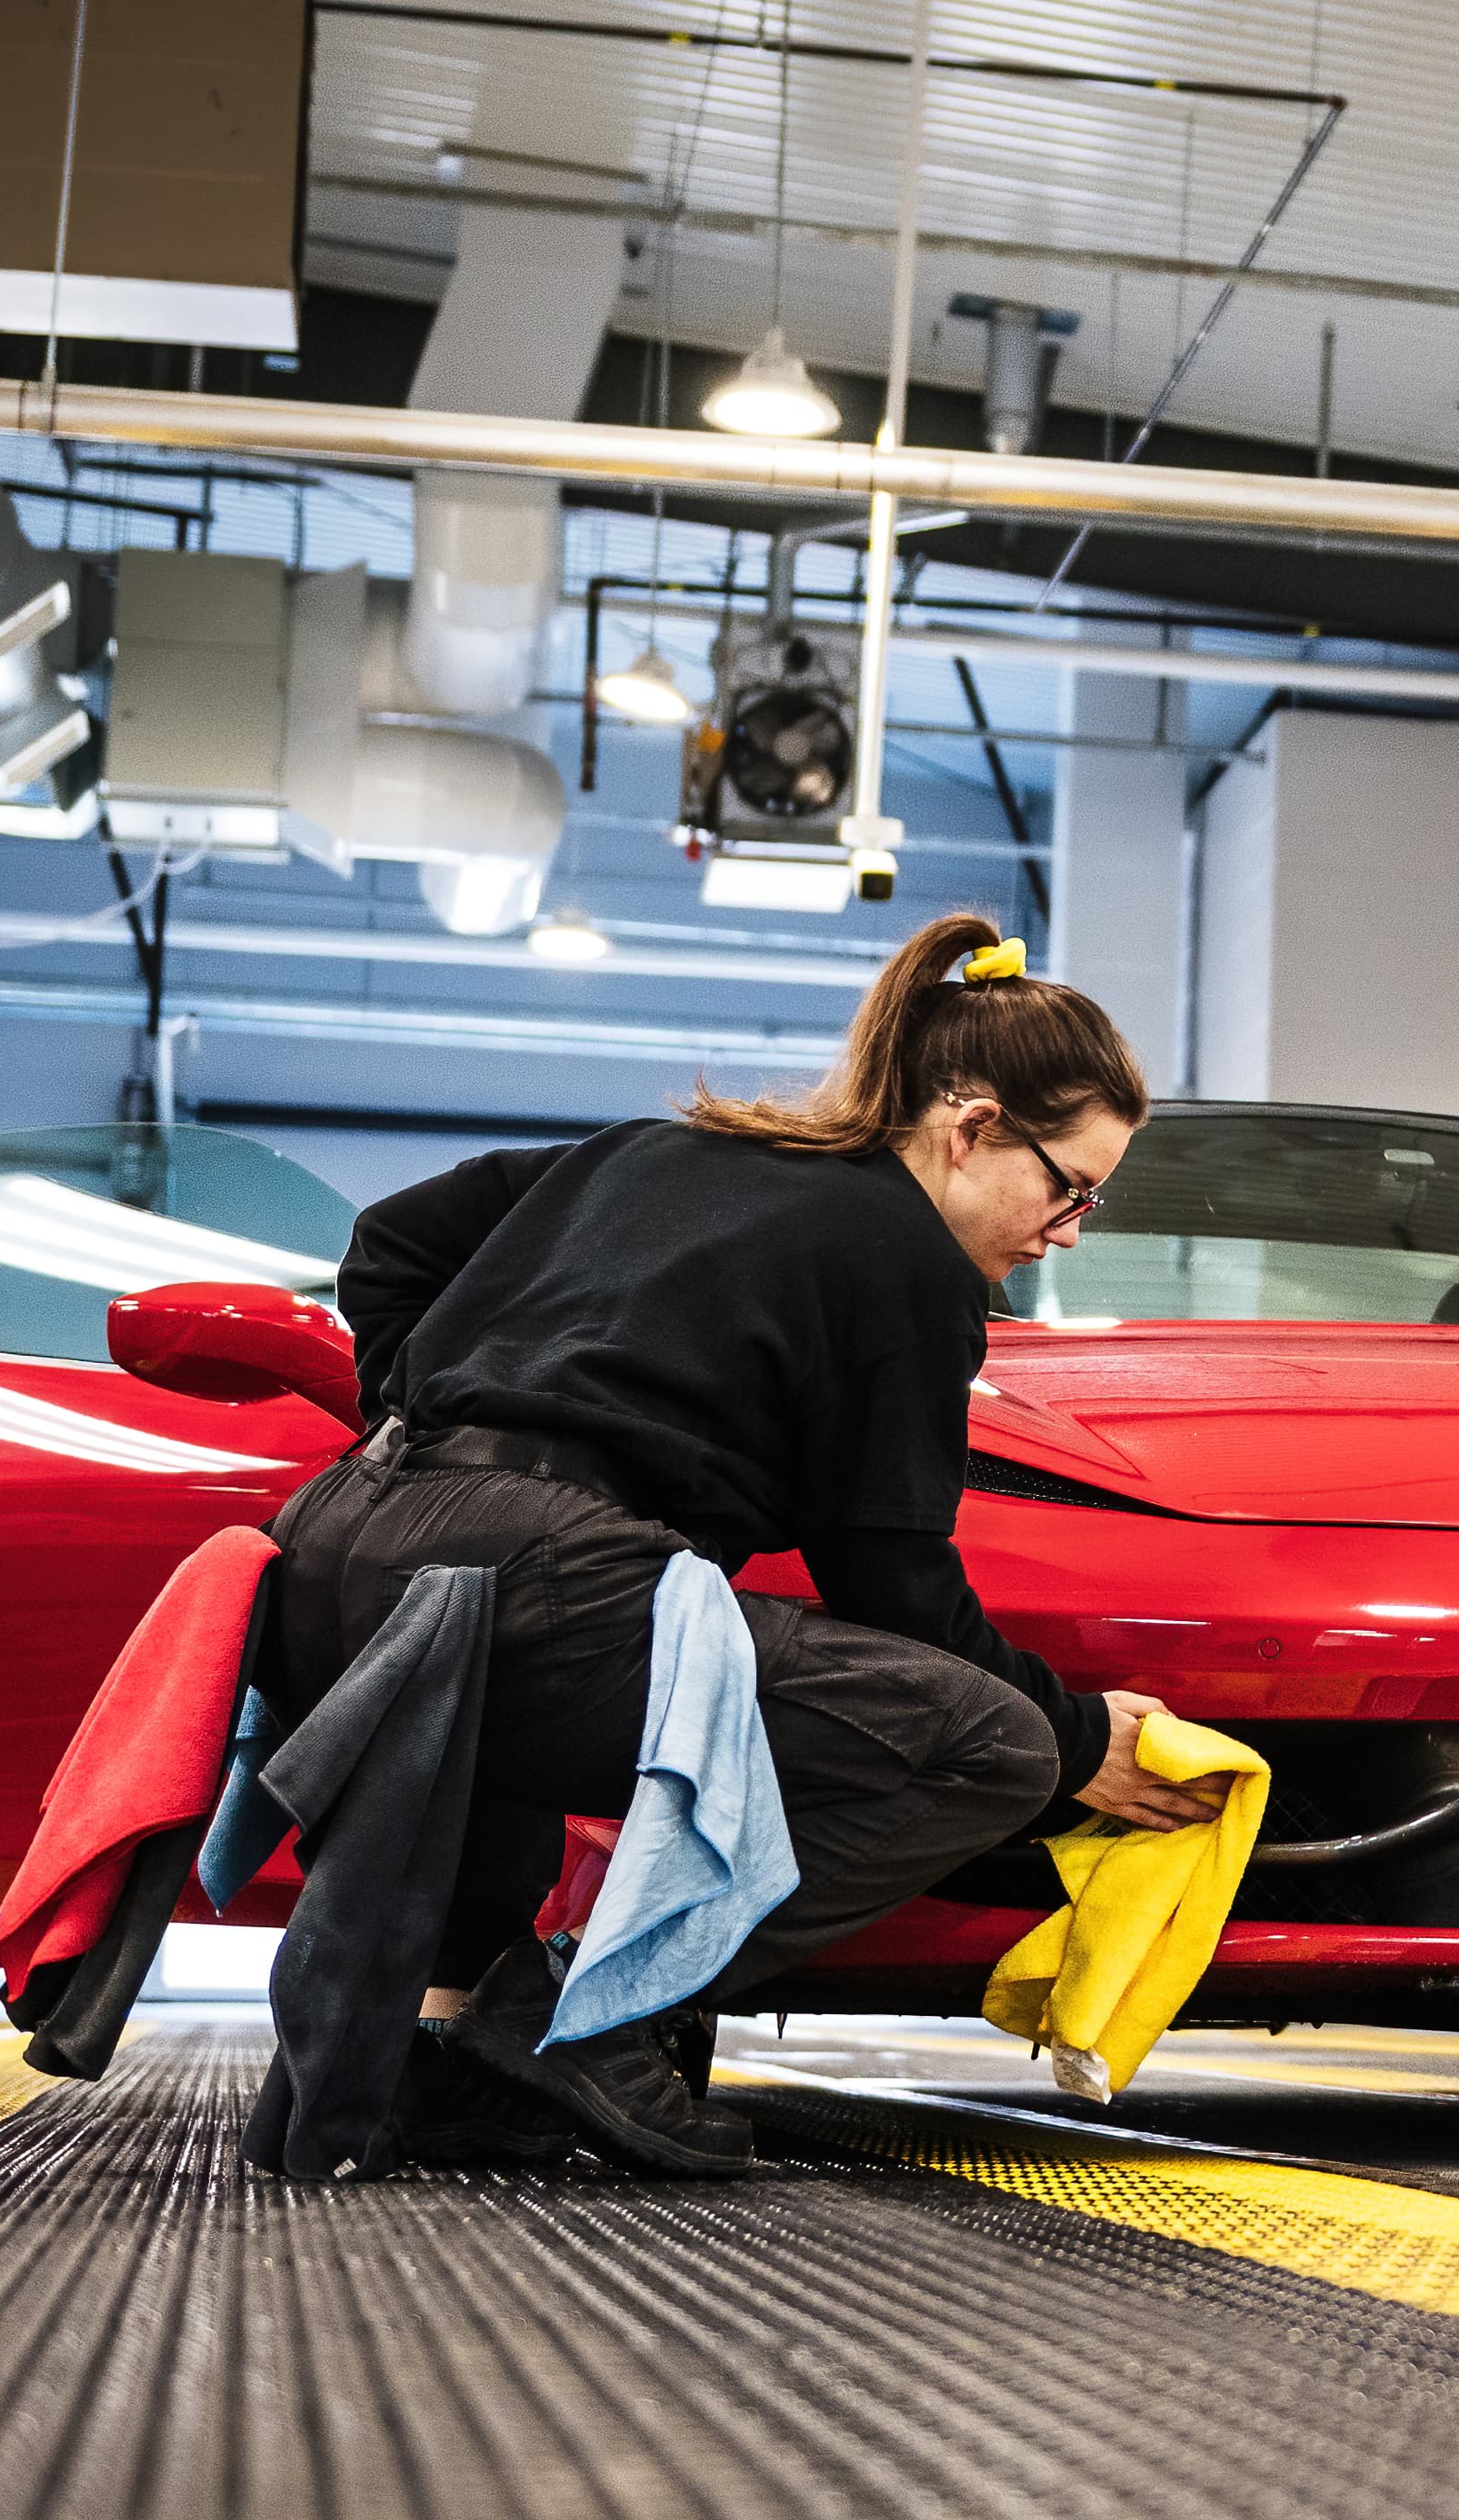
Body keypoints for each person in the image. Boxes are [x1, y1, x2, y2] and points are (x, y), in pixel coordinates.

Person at [291, 914, 1218, 2175]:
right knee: (982, 1747)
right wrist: (1069, 1737)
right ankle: (585, 2013)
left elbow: (391, 1238)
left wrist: (430, 1408)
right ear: (974, 1127)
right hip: (531, 1583)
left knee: (549, 1695)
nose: (1070, 1228)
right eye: (1071, 1184)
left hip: (335, 1547)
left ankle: (454, 2078)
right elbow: (889, 1576)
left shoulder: (658, 1151)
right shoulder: (909, 1260)